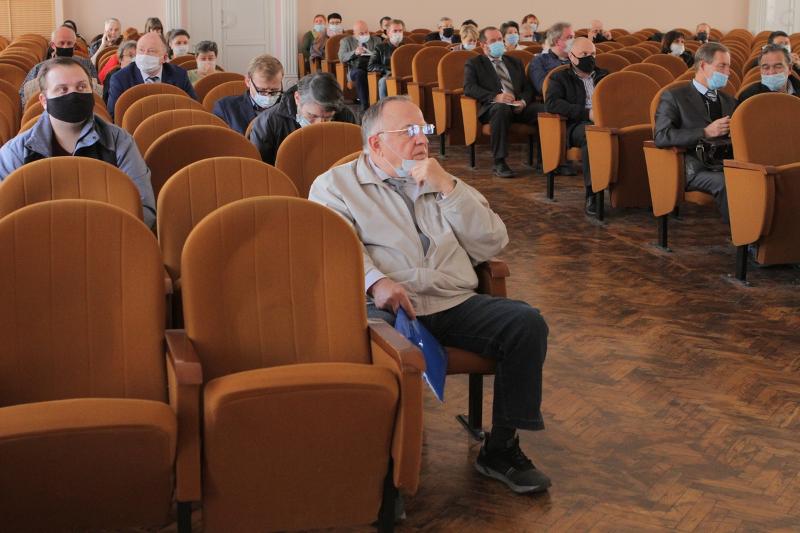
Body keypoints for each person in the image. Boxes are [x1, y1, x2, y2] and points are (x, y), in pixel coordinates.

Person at [308, 95, 551, 496]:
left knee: (526, 324)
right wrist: (376, 282)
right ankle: (383, 462)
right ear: (376, 143)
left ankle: (501, 448)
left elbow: (492, 243)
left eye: (424, 129)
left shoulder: (442, 180)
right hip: (387, 308)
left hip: (451, 301)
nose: (422, 139)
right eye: (409, 131)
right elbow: (331, 247)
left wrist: (450, 189)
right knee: (389, 352)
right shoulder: (335, 186)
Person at [0, 58, 156, 227]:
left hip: (108, 238)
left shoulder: (120, 141)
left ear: (92, 93)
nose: (73, 95)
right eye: (62, 89)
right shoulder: (15, 152)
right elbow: (6, 215)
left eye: (81, 87)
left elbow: (143, 208)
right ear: (44, 101)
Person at [654, 43, 737, 221]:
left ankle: (763, 232)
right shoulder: (674, 96)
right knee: (728, 183)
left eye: (728, 66)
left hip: (725, 162)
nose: (728, 72)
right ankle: (745, 236)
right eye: (722, 66)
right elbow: (661, 136)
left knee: (756, 177)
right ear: (703, 66)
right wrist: (705, 132)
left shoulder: (729, 101)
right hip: (692, 167)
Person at [464, 26, 539, 178]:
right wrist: (496, 97)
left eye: (499, 39)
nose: (498, 43)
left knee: (545, 110)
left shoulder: (514, 62)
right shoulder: (475, 63)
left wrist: (523, 102)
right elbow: (469, 88)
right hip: (494, 107)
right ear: (483, 44)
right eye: (493, 41)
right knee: (501, 108)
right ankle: (499, 162)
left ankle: (549, 160)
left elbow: (528, 88)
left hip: (518, 106)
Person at [545, 36, 609, 215]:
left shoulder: (605, 76)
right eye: (584, 54)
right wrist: (587, 113)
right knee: (592, 136)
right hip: (577, 124)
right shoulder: (559, 77)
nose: (590, 58)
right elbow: (552, 104)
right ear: (572, 56)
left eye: (593, 54)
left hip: (605, 122)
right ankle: (592, 193)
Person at [249, 72, 357, 165]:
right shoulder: (268, 122)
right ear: (297, 98)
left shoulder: (345, 116)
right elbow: (262, 170)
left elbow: (353, 159)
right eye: (312, 116)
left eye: (328, 117)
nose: (319, 124)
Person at [106, 31, 198, 120]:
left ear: (164, 58)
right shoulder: (120, 79)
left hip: (173, 124)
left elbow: (194, 108)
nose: (144, 55)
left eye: (151, 51)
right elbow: (114, 117)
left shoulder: (179, 75)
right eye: (141, 50)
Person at [20, 25, 98, 110]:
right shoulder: (38, 68)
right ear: (53, 45)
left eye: (69, 43)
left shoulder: (87, 65)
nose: (65, 47)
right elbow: (23, 96)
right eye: (61, 43)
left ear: (74, 46)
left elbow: (98, 93)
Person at [213, 54, 284, 135]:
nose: (268, 96)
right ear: (248, 81)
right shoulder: (225, 108)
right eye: (262, 90)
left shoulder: (291, 105)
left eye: (274, 90)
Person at [338, 20, 382, 110]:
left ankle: (380, 104)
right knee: (360, 73)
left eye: (366, 32)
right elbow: (341, 57)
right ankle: (365, 105)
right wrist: (355, 52)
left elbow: (382, 55)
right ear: (354, 34)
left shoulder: (376, 40)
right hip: (355, 69)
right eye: (361, 33)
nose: (365, 35)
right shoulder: (346, 41)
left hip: (372, 67)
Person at [529, 22, 574, 95]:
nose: (573, 40)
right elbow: (542, 87)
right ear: (557, 42)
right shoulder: (539, 61)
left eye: (573, 37)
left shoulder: (577, 58)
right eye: (570, 37)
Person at [369, 19, 406, 100]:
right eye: (395, 31)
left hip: (405, 75)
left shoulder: (407, 47)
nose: (398, 33)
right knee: (383, 81)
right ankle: (385, 105)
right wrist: (387, 69)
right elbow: (371, 66)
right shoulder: (380, 48)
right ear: (388, 33)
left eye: (400, 31)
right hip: (389, 75)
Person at [102, 40, 137, 104]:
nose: (135, 59)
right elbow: (106, 102)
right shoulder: (112, 76)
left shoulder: (142, 75)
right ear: (121, 59)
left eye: (137, 56)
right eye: (130, 56)